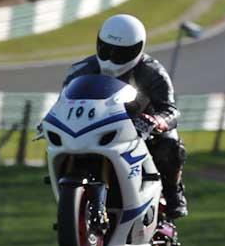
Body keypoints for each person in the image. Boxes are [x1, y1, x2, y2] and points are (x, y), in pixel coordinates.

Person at [63, 14, 188, 219]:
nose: (111, 57)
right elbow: (64, 102)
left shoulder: (152, 72)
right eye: (106, 48)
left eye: (122, 53)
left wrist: (156, 121)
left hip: (140, 133)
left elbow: (170, 111)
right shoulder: (80, 70)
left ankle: (174, 191)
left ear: (138, 49)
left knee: (171, 144)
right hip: (93, 129)